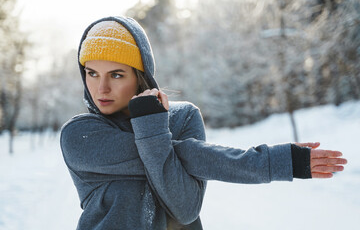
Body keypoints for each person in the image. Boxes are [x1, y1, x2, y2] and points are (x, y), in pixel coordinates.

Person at [60, 16, 347, 230]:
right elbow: (186, 155)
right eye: (92, 73)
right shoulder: (80, 135)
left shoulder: (183, 118)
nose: (101, 89)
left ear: (140, 74)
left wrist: (151, 125)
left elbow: (184, 209)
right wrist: (278, 161)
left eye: (117, 74)